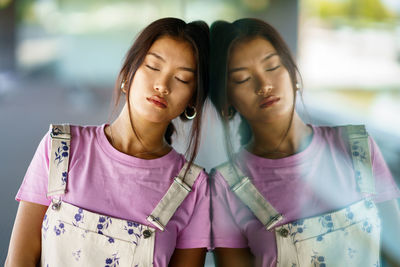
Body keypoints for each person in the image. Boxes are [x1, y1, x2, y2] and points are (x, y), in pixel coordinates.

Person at [6, 17, 210, 267]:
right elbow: (19, 261)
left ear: (192, 100)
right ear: (127, 73)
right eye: (153, 67)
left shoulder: (193, 187)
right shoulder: (61, 148)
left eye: (182, 79)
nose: (162, 86)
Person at [209, 18, 400, 267]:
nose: (264, 86)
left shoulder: (357, 147)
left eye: (272, 66)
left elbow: (396, 249)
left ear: (292, 72)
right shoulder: (224, 187)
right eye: (243, 79)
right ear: (226, 102)